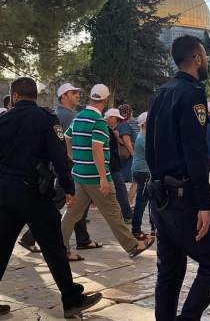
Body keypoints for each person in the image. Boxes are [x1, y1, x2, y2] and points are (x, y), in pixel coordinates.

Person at [0, 77, 101, 318]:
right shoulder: (46, 119)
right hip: (34, 192)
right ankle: (71, 299)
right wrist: (68, 188)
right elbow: (59, 158)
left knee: (0, 248)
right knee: (54, 247)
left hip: (6, 192)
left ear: (14, 96)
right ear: (33, 95)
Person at [146, 35, 210, 320]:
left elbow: (152, 147)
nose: (206, 60)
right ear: (196, 58)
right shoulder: (192, 92)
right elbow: (195, 150)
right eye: (204, 55)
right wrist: (204, 204)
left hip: (160, 196)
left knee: (170, 270)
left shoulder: (160, 93)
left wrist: (157, 186)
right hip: (184, 195)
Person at [61, 86, 154, 261]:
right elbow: (97, 149)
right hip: (96, 177)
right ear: (105, 100)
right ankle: (132, 246)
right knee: (114, 214)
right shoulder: (98, 122)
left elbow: (67, 137)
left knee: (71, 214)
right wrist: (103, 178)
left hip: (79, 175)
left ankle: (61, 249)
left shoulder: (78, 117)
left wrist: (74, 157)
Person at [19, 83, 103, 253]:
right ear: (63, 96)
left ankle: (82, 238)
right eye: (73, 93)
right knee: (58, 202)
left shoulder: (57, 113)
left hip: (60, 166)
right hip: (67, 167)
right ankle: (29, 237)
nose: (77, 96)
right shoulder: (71, 116)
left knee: (79, 202)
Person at [106, 108, 134, 223]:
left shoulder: (110, 129)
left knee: (118, 189)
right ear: (111, 118)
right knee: (121, 189)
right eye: (116, 118)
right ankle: (127, 214)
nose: (117, 121)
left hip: (111, 163)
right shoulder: (108, 128)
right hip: (112, 164)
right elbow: (126, 142)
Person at [131, 111, 154, 240]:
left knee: (148, 200)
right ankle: (136, 229)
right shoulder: (144, 138)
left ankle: (153, 227)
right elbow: (153, 154)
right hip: (144, 172)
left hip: (141, 171)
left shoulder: (143, 135)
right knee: (142, 201)